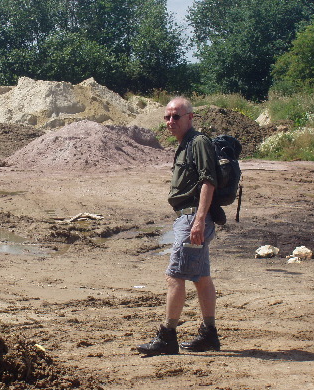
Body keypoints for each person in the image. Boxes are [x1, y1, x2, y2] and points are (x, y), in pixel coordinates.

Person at [137, 97, 221, 356]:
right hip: (189, 217)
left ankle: (167, 336)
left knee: (174, 276)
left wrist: (197, 221)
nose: (170, 122)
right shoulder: (185, 144)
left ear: (190, 118)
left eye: (176, 116)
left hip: (193, 218)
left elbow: (209, 181)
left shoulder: (198, 142)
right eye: (167, 117)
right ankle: (209, 335)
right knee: (201, 278)